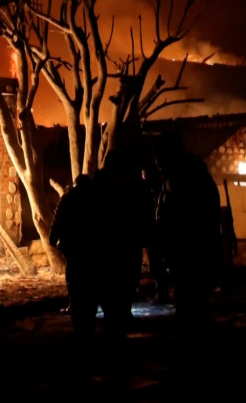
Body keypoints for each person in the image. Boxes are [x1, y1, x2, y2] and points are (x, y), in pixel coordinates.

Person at [153, 131, 223, 337]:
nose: (158, 165)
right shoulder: (176, 181)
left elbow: (192, 223)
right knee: (190, 311)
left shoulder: (186, 182)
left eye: (160, 159)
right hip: (184, 260)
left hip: (193, 259)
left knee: (193, 313)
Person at [95, 148, 152, 363]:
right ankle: (115, 339)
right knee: (113, 297)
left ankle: (115, 338)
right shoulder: (106, 188)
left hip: (121, 250)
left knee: (120, 295)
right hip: (114, 251)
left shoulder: (105, 188)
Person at [49, 173, 101, 358]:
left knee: (75, 282)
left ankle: (79, 322)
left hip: (73, 248)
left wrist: (53, 238)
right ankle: (89, 320)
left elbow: (58, 220)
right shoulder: (96, 197)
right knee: (91, 285)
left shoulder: (69, 198)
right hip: (92, 249)